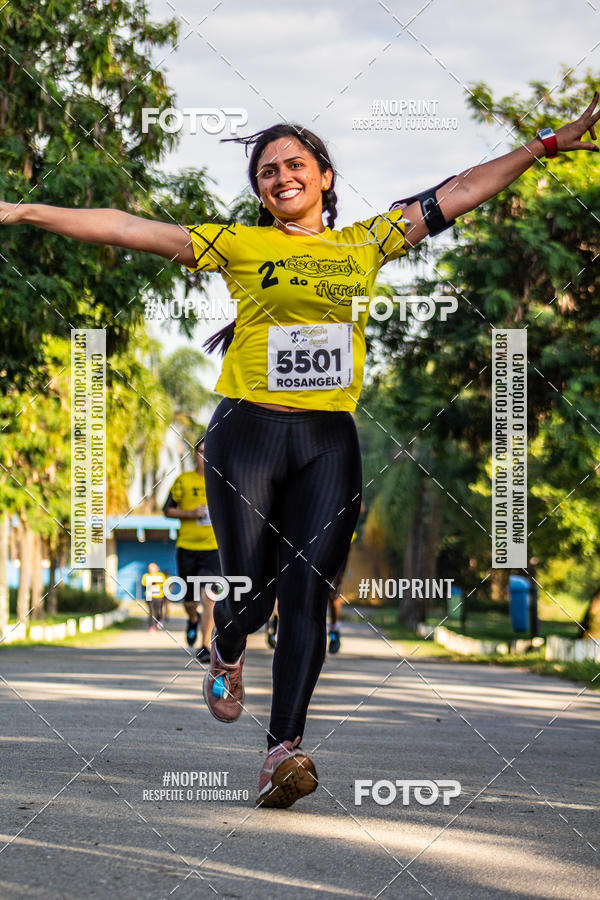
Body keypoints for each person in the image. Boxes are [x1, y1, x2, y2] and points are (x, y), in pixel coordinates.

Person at [2, 95, 597, 808]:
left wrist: (546, 144)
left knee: (307, 592)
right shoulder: (239, 245)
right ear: (260, 190)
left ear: (324, 176)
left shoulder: (369, 243)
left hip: (326, 441)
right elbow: (129, 228)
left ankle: (281, 751)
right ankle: (227, 645)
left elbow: (463, 189)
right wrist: (21, 211)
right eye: (267, 171)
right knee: (251, 596)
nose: (281, 176)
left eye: (294, 164)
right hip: (247, 435)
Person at [163, 437, 220, 663]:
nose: (205, 456)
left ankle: (205, 645)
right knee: (190, 601)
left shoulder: (222, 481)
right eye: (201, 451)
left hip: (213, 548)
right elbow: (167, 510)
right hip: (187, 547)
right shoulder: (183, 480)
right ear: (195, 455)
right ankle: (193, 619)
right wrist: (191, 514)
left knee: (209, 596)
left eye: (209, 451)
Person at [327, 501, 365, 655]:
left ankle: (334, 630)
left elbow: (360, 507)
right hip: (315, 538)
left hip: (340, 542)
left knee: (333, 591)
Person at [141, 562, 166, 631]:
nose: (151, 570)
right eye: (150, 569)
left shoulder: (161, 575)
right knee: (151, 611)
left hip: (159, 596)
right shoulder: (146, 576)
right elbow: (144, 585)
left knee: (158, 611)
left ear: (157, 569)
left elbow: (164, 585)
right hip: (149, 596)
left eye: (153, 568)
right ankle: (151, 626)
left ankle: (158, 622)